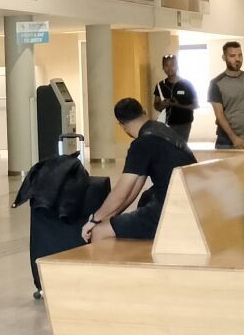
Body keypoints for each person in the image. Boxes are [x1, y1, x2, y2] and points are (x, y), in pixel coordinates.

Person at [81, 98, 196, 243]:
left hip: (170, 209)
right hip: (189, 202)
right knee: (140, 203)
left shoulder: (141, 144)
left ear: (121, 125)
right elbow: (133, 189)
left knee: (99, 231)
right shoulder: (161, 130)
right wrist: (109, 216)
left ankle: (106, 266)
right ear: (144, 112)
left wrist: (95, 220)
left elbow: (121, 192)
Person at [151, 55, 197, 135]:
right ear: (163, 67)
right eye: (166, 65)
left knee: (180, 146)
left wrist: (178, 105)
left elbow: (195, 105)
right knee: (168, 146)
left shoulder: (187, 84)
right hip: (166, 124)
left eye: (172, 65)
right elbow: (156, 106)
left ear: (177, 66)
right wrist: (163, 104)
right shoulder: (160, 85)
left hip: (184, 124)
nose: (169, 68)